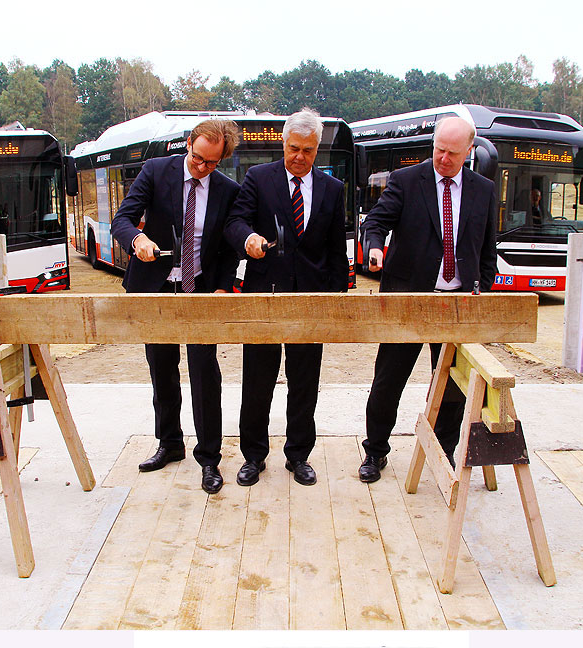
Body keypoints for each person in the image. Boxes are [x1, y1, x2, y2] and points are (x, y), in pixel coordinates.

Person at [357, 116, 498, 483]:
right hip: (408, 300)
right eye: (438, 149)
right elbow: (375, 222)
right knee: (389, 379)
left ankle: (443, 449)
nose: (443, 158)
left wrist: (485, 288)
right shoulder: (407, 180)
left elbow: (487, 248)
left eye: (452, 153)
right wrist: (374, 248)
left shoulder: (483, 189)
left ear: (470, 150)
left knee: (451, 385)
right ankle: (375, 451)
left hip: (457, 304)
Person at [111, 119, 241, 494]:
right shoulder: (155, 171)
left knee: (204, 373)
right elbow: (122, 219)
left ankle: (209, 458)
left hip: (199, 290)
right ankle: (169, 443)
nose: (202, 168)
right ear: (188, 144)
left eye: (212, 163)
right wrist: (137, 239)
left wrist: (222, 287)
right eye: (198, 158)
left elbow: (228, 248)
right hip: (155, 288)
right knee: (161, 367)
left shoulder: (226, 190)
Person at [223, 109, 349, 487]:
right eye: (294, 148)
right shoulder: (259, 179)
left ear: (317, 149)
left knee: (304, 382)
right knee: (257, 382)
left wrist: (336, 294)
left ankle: (298, 455)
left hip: (310, 301)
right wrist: (250, 240)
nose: (300, 157)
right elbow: (235, 222)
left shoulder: (332, 189)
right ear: (283, 143)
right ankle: (253, 456)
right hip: (265, 296)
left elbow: (334, 248)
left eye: (308, 151)